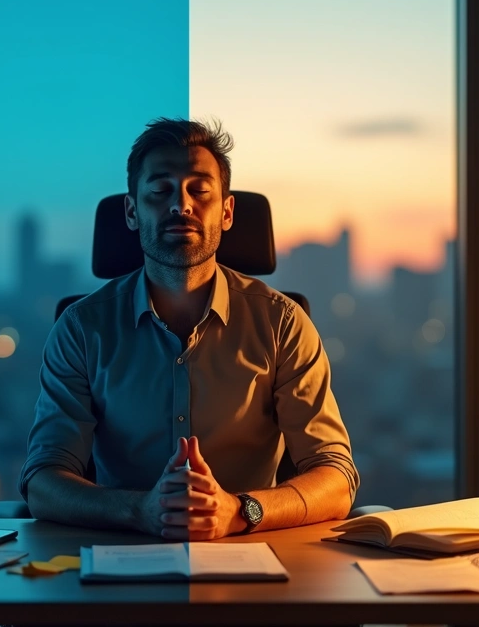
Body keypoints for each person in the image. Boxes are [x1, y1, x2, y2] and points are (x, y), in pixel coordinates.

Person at [19, 117, 359, 541]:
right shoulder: (82, 329)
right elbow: (43, 480)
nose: (181, 205)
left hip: (254, 555)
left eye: (199, 190)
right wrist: (139, 511)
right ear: (131, 211)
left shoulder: (283, 323)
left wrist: (239, 510)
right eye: (160, 192)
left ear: (228, 211)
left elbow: (336, 476)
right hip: (119, 559)